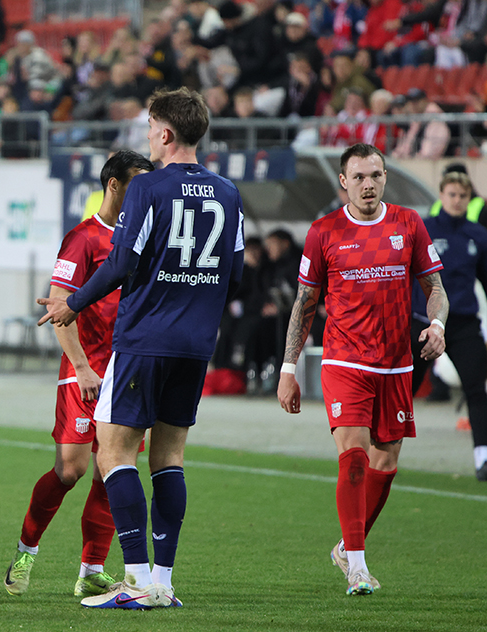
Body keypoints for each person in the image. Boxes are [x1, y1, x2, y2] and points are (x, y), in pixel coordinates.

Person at [38, 87, 245, 609]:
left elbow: (121, 263)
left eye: (151, 128)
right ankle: (163, 583)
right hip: (196, 345)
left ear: (167, 133)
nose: (148, 137)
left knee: (114, 452)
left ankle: (134, 581)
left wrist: (72, 303)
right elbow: (236, 272)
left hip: (145, 339)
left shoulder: (148, 188)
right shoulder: (227, 192)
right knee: (170, 456)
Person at [277, 143, 448, 596]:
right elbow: (305, 303)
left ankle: (345, 546)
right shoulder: (324, 231)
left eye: (375, 175)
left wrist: (437, 324)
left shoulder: (408, 224)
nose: (368, 184)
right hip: (345, 360)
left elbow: (435, 287)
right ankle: (357, 566)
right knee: (353, 455)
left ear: (385, 176)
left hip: (395, 364)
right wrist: (288, 367)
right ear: (343, 182)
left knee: (384, 462)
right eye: (359, 177)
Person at [3, 150, 155, 599]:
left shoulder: (144, 239)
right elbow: (59, 306)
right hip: (85, 371)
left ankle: (92, 568)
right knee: (70, 470)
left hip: (127, 370)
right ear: (114, 185)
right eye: (137, 184)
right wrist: (83, 366)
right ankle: (26, 550)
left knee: (114, 468)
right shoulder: (84, 238)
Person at [410, 170, 487, 481]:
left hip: (463, 323)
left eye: (463, 196)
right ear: (441, 195)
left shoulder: (478, 235)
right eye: (452, 194)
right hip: (423, 323)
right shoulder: (422, 229)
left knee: (476, 388)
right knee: (404, 388)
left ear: (469, 199)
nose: (457, 200)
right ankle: (384, 448)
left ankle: (483, 457)